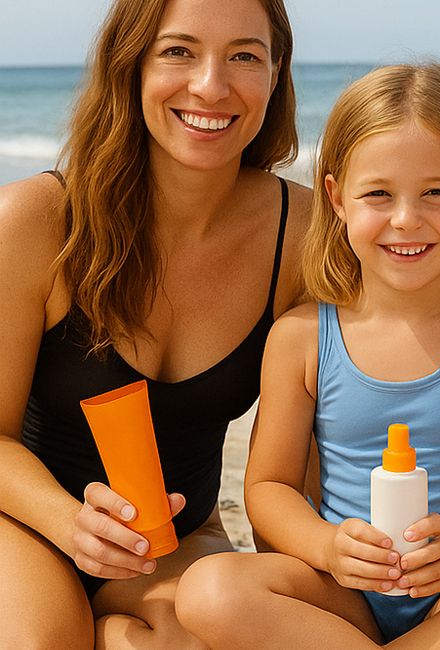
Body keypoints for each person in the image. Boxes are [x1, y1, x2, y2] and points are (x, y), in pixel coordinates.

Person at [173, 62, 440, 648]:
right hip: (342, 595)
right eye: (378, 194)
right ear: (336, 198)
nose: (405, 219)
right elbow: (268, 488)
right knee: (207, 589)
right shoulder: (301, 337)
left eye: (436, 193)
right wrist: (327, 547)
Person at [0, 0, 310, 646]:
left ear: (276, 73)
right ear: (131, 64)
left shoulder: (302, 234)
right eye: (178, 51)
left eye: (244, 56)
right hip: (25, 521)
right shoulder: (35, 221)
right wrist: (71, 525)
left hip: (175, 540)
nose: (211, 86)